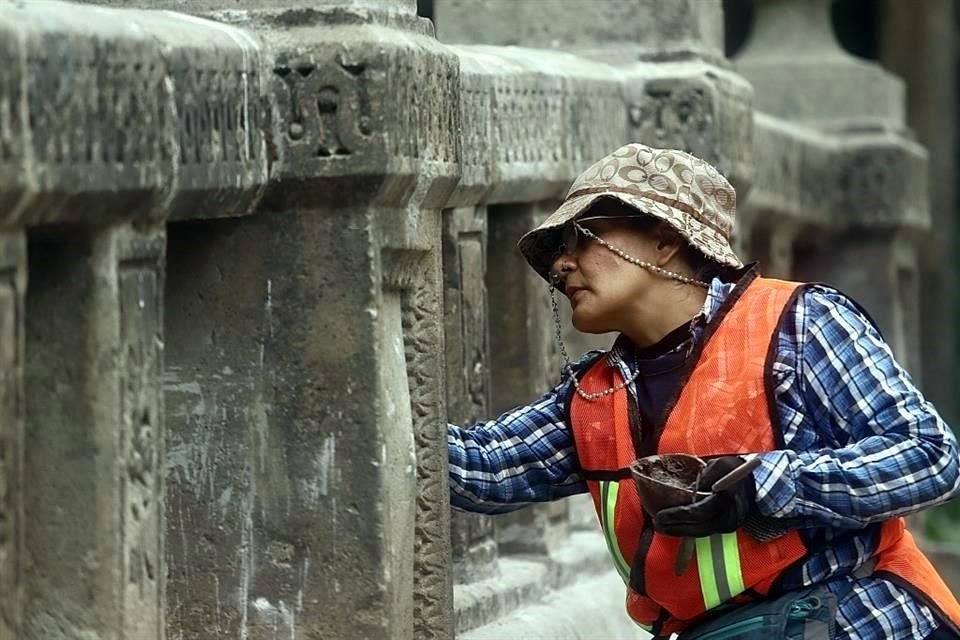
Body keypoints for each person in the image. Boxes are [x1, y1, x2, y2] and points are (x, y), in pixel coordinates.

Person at [447, 142, 960, 639]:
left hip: (860, 618)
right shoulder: (591, 398)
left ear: (665, 239)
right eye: (557, 251)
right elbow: (481, 468)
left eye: (581, 236)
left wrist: (761, 484)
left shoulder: (799, 324)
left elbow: (929, 457)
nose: (560, 266)